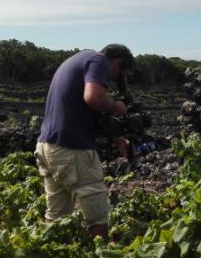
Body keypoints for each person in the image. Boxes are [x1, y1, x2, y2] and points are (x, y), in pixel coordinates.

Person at [34, 44, 134, 238]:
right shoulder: (99, 60)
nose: (114, 80)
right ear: (118, 62)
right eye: (120, 74)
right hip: (72, 149)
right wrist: (116, 106)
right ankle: (102, 257)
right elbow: (93, 98)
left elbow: (81, 111)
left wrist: (115, 138)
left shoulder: (76, 60)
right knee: (97, 216)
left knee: (56, 218)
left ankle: (49, 253)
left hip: (48, 146)